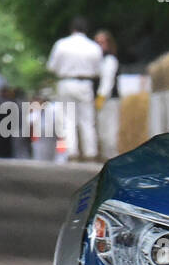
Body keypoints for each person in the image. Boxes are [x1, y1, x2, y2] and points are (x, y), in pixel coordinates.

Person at [46, 16, 102, 159]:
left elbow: (51, 67)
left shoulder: (61, 44)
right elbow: (98, 71)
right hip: (85, 83)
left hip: (66, 82)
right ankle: (90, 152)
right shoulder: (94, 47)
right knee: (87, 119)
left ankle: (72, 151)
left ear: (72, 28)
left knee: (67, 119)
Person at [94, 30, 120, 160]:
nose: (99, 45)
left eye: (102, 42)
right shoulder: (99, 61)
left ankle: (111, 156)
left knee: (109, 130)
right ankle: (105, 156)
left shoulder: (109, 59)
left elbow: (107, 80)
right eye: (97, 42)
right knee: (102, 130)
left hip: (108, 100)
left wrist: (101, 96)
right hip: (102, 99)